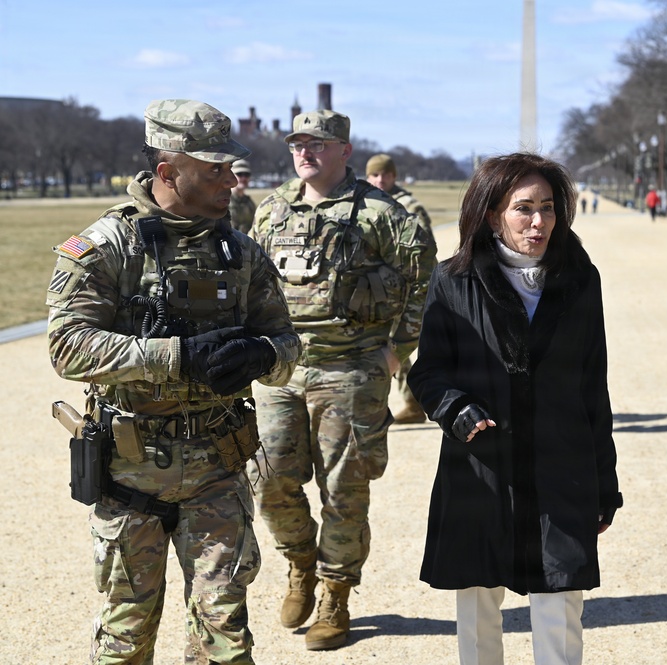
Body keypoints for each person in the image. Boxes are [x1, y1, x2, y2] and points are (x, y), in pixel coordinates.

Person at [46, 99, 301, 664]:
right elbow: (67, 345)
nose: (231, 181)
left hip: (219, 473)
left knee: (226, 644)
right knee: (125, 643)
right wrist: (176, 356)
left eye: (231, 168)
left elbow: (289, 348)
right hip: (129, 479)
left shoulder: (240, 252)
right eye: (214, 170)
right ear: (167, 172)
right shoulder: (108, 247)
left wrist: (260, 354)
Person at [407, 152, 622, 665]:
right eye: (523, 208)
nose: (539, 221)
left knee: (561, 596)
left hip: (561, 463)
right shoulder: (453, 280)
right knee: (478, 601)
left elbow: (595, 384)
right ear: (490, 213)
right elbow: (428, 372)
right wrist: (455, 408)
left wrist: (604, 481)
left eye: (548, 207)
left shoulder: (580, 280)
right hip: (481, 462)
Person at [248, 110, 437, 651]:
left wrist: (397, 347)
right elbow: (252, 281)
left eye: (317, 144)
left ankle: (335, 593)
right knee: (269, 479)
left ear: (344, 151)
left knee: (344, 491)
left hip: (351, 370)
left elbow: (424, 275)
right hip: (282, 370)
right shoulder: (273, 209)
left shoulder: (381, 213)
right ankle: (300, 563)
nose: (304, 152)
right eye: (297, 144)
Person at [365, 152, 436, 424]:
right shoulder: (366, 202)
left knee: (399, 345)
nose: (380, 179)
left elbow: (424, 250)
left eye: (385, 174)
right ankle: (405, 402)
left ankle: (411, 402)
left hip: (404, 289)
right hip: (376, 288)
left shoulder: (408, 206)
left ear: (394, 176)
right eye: (374, 174)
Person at [229, 158, 257, 234]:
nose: (244, 178)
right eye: (240, 174)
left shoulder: (250, 203)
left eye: (246, 175)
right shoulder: (223, 201)